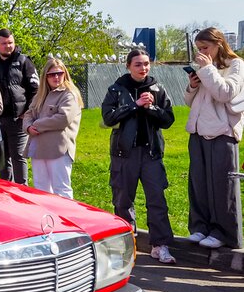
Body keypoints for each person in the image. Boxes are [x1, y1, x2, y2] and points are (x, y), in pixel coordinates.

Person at [101, 49, 176, 264]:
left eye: (146, 64)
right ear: (128, 66)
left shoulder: (158, 88)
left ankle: (160, 246)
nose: (143, 68)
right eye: (138, 64)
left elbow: (168, 120)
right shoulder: (116, 89)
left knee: (157, 199)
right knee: (123, 200)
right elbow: (108, 118)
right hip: (124, 154)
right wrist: (135, 105)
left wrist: (152, 107)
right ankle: (126, 247)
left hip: (151, 154)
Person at [184, 27, 244, 250]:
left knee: (222, 185)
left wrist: (208, 69)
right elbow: (190, 102)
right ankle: (200, 227)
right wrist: (192, 86)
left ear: (219, 44)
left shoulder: (236, 65)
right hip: (198, 131)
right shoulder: (206, 68)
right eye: (198, 48)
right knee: (198, 183)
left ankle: (224, 233)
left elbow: (225, 93)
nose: (202, 52)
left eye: (205, 47)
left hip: (222, 132)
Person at [0, 28, 39, 184]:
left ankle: (22, 189)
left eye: (10, 43)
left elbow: (35, 89)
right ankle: (6, 189)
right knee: (3, 157)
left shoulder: (24, 61)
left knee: (18, 156)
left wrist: (27, 112)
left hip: (18, 119)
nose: (8, 46)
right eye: (4, 43)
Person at [23, 58, 83, 198]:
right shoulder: (40, 95)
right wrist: (28, 127)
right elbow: (28, 114)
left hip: (58, 149)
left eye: (59, 73)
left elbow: (63, 118)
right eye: (51, 74)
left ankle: (65, 214)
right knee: (41, 189)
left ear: (65, 74)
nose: (56, 77)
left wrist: (36, 125)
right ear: (45, 77)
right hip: (38, 149)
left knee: (61, 190)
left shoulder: (69, 94)